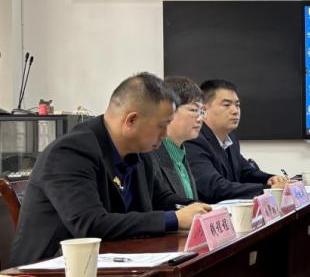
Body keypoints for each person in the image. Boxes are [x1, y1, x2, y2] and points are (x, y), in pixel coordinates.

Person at [10, 73, 210, 266]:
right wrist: (174, 219)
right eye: (161, 126)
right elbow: (91, 224)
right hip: (51, 272)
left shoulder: (140, 152)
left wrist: (202, 209)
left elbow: (160, 198)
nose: (165, 134)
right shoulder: (70, 153)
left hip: (116, 261)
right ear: (131, 120)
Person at [186, 79, 287, 201]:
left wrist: (270, 179)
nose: (235, 111)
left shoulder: (230, 138)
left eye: (237, 105)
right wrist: (268, 189)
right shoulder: (194, 140)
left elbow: (246, 172)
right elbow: (215, 187)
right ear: (204, 109)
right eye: (226, 105)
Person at [150, 76, 204, 201]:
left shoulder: (181, 152)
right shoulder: (149, 155)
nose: (200, 118)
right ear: (169, 109)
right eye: (194, 110)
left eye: (202, 111)